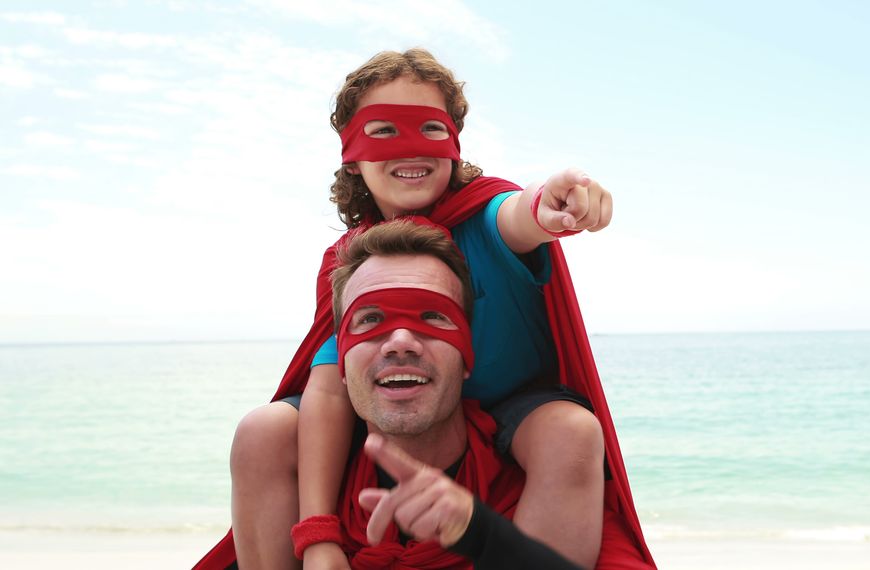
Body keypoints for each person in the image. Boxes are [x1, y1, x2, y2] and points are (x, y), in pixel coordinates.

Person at [195, 49, 653, 569]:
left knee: (568, 431)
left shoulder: (484, 217)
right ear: (351, 152)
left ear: (455, 144)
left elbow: (519, 216)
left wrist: (548, 207)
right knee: (262, 431)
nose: (409, 147)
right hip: (395, 402)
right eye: (383, 130)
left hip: (510, 405)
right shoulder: (347, 259)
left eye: (429, 129)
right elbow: (328, 380)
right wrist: (319, 536)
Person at [288, 218, 646, 568]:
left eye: (431, 316)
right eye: (369, 319)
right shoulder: (300, 501)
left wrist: (479, 533)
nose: (400, 343)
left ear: (466, 357)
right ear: (341, 365)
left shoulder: (539, 493)